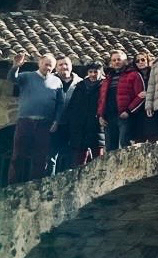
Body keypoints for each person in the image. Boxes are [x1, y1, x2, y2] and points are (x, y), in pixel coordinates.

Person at [7, 53, 64, 184]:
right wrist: (16, 66)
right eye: (46, 64)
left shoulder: (57, 82)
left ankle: (35, 185)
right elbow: (11, 78)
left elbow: (60, 104)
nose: (48, 67)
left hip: (45, 123)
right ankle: (12, 185)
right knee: (18, 155)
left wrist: (56, 121)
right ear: (40, 63)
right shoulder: (27, 76)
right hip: (25, 121)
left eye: (51, 66)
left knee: (41, 156)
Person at [97, 50, 144, 152]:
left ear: (125, 61)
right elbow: (101, 99)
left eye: (119, 59)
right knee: (110, 148)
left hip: (124, 116)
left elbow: (141, 96)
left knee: (125, 146)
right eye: (114, 60)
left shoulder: (134, 75)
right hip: (108, 118)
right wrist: (100, 115)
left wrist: (128, 111)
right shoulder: (107, 78)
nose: (116, 62)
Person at [60, 62, 103, 167]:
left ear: (100, 73)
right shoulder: (80, 86)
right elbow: (73, 106)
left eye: (95, 72)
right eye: (90, 72)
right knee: (79, 159)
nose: (93, 74)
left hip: (96, 125)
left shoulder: (104, 86)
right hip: (80, 126)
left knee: (99, 158)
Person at [48, 56, 79, 172]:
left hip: (72, 124)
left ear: (71, 66)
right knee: (51, 155)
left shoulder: (80, 83)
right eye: (60, 65)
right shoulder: (49, 80)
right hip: (53, 123)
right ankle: (49, 180)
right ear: (56, 67)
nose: (64, 67)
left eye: (66, 64)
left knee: (71, 155)